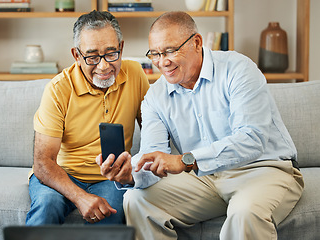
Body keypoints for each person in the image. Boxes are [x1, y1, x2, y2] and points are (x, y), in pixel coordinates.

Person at [97, 11, 304, 239]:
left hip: (262, 170)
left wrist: (186, 160)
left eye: (170, 51)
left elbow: (252, 138)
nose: (162, 62)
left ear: (197, 42)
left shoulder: (238, 69)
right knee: (136, 199)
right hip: (206, 179)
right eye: (155, 53)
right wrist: (129, 174)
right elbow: (152, 155)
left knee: (245, 213)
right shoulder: (156, 97)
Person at [26, 10, 149, 226]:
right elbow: (43, 163)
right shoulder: (58, 89)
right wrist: (80, 197)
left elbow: (153, 133)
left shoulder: (135, 74)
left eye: (111, 54)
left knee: (110, 215)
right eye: (92, 57)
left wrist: (134, 167)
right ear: (76, 55)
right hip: (62, 174)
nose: (103, 66)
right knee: (47, 205)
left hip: (109, 179)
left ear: (121, 48)